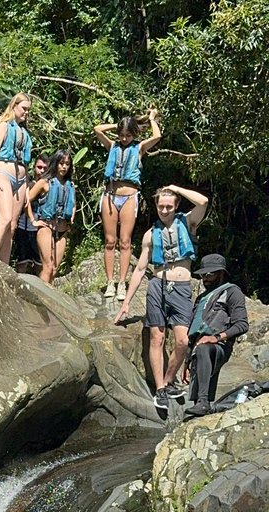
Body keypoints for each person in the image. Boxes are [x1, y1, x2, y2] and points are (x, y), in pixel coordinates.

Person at [114, 185, 209, 409]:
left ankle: (168, 381)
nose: (164, 210)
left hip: (181, 287)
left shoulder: (187, 222)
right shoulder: (150, 235)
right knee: (157, 338)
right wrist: (126, 302)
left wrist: (174, 188)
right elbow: (139, 269)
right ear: (156, 207)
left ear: (176, 206)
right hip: (157, 286)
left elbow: (203, 202)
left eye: (169, 206)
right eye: (160, 206)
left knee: (182, 340)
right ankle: (160, 389)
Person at [95, 110, 161, 301]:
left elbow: (157, 136)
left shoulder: (139, 148)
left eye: (128, 135)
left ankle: (122, 283)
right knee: (109, 241)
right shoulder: (113, 146)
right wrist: (116, 126)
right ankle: (110, 282)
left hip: (129, 196)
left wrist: (150, 119)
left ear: (134, 134)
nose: (124, 138)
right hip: (110, 195)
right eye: (121, 135)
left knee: (125, 241)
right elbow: (97, 130)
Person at [182, 254, 249, 416]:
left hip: (219, 346)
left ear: (221, 273)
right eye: (203, 275)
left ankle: (204, 402)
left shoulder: (232, 292)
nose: (205, 278)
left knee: (205, 348)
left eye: (210, 274)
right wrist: (186, 361)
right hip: (198, 349)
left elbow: (242, 325)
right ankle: (201, 404)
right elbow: (194, 331)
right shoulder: (201, 299)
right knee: (202, 351)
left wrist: (217, 337)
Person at [0, 93, 32, 264]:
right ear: (14, 106)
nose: (26, 113)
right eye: (24, 109)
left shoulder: (24, 132)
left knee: (13, 226)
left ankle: (5, 264)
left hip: (21, 180)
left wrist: (27, 187)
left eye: (28, 110)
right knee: (5, 218)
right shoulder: (4, 126)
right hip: (3, 174)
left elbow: (26, 163)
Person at [27, 149, 75, 284]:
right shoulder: (44, 182)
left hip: (62, 230)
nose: (64, 167)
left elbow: (73, 204)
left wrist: (71, 219)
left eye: (67, 164)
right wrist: (33, 220)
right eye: (61, 163)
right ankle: (41, 301)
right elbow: (27, 200)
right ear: (55, 163)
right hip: (46, 226)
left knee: (54, 270)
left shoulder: (70, 185)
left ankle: (50, 301)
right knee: (47, 267)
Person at [15, 154, 49, 274]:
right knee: (22, 263)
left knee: (41, 265)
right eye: (39, 167)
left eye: (45, 168)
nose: (42, 171)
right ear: (34, 167)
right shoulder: (29, 184)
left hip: (40, 229)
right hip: (23, 227)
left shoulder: (49, 185)